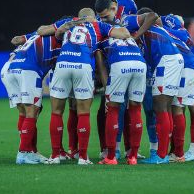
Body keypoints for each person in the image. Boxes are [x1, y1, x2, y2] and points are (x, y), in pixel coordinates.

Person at [44, 9, 130, 165]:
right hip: (83, 65)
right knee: (83, 113)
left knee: (56, 112)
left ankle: (55, 155)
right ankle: (83, 157)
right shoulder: (99, 25)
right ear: (93, 16)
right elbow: (124, 33)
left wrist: (62, 29)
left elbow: (41, 30)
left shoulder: (68, 21)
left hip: (62, 64)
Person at [122, 7, 183, 164]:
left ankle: (161, 156)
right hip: (171, 60)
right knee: (165, 108)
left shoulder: (129, 21)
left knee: (160, 107)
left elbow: (152, 15)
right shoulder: (155, 30)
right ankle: (162, 153)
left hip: (167, 61)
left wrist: (137, 34)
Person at [95, 22, 153, 165]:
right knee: (135, 109)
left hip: (120, 64)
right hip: (140, 65)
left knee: (113, 108)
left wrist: (106, 86)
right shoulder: (130, 38)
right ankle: (133, 156)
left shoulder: (101, 40)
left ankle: (111, 157)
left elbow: (101, 65)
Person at [1, 32, 61, 164]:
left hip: (9, 68)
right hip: (27, 70)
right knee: (31, 112)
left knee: (24, 112)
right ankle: (23, 153)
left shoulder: (36, 36)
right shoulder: (57, 40)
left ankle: (31, 151)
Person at [94, 0, 138, 158]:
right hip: (113, 65)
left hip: (125, 60)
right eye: (100, 17)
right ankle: (106, 148)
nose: (103, 19)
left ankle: (128, 150)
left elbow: (142, 20)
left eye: (105, 16)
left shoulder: (128, 8)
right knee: (107, 108)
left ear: (114, 8)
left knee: (127, 108)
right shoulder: (100, 25)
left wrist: (136, 36)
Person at [161, 14, 194, 162]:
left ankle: (178, 152)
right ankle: (192, 150)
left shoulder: (170, 32)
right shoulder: (183, 32)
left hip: (186, 68)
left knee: (178, 107)